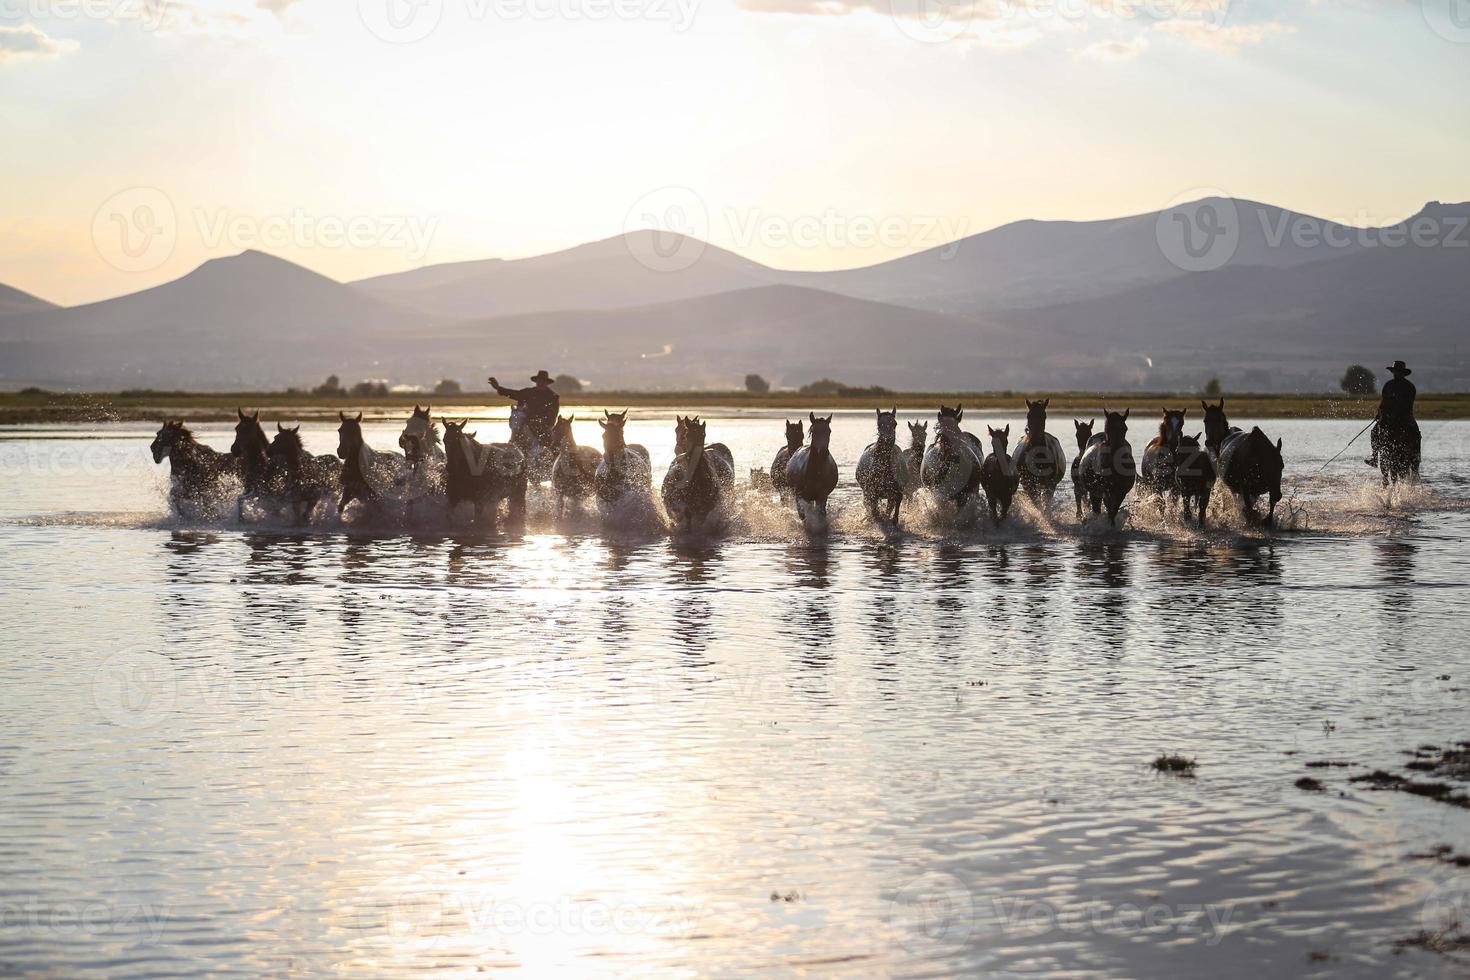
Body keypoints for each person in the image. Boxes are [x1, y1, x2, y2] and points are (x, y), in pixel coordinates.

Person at [1366, 360, 1418, 468]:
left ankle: (1415, 457)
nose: (1396, 374)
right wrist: (1379, 413)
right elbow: (1383, 401)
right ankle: (1374, 457)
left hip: (1405, 417)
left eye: (1398, 372)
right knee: (1374, 431)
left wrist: (1395, 410)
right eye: (1395, 371)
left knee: (1415, 433)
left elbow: (1408, 404)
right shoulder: (1388, 385)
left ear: (1403, 373)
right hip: (1389, 416)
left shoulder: (1409, 387)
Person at [489, 370, 560, 442]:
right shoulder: (529, 392)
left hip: (543, 425)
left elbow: (553, 414)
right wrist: (498, 388)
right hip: (527, 421)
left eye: (543, 381)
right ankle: (514, 440)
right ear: (536, 382)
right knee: (516, 416)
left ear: (547, 383)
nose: (540, 383)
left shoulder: (552, 396)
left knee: (547, 439)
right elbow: (514, 394)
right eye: (539, 381)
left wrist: (538, 419)